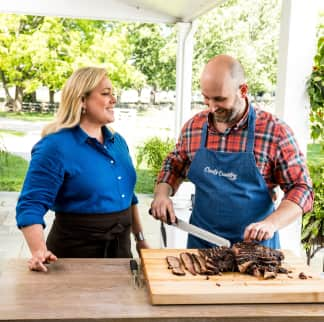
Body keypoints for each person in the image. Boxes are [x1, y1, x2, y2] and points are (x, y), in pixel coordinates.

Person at [150, 54, 313, 249]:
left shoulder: (274, 132)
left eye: (219, 99)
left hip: (255, 251)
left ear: (243, 90)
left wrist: (272, 223)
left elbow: (301, 188)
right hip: (201, 245)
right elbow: (174, 164)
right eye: (206, 98)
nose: (211, 108)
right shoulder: (194, 127)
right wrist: (162, 195)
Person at [16, 67, 149, 272]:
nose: (113, 99)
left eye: (113, 92)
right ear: (81, 100)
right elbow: (30, 204)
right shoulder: (55, 146)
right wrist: (39, 250)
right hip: (74, 256)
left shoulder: (117, 142)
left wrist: (140, 240)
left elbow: (129, 197)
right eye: (105, 93)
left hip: (121, 253)